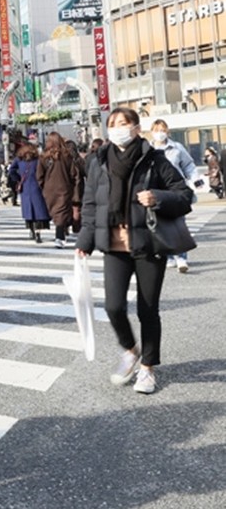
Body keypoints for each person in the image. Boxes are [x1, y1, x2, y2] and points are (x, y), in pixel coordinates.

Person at [76, 107, 192, 395]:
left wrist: (157, 197)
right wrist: (84, 242)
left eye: (124, 123)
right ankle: (130, 349)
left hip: (149, 245)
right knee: (113, 306)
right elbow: (91, 204)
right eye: (113, 124)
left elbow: (184, 195)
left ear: (137, 127)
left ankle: (148, 368)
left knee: (147, 310)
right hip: (113, 244)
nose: (118, 128)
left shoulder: (155, 159)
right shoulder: (99, 160)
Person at [149, 120, 197, 272]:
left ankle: (181, 258)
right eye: (157, 129)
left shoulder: (177, 148)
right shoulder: (147, 149)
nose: (160, 132)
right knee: (161, 224)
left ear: (167, 131)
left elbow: (188, 165)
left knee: (178, 222)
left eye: (163, 129)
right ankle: (169, 256)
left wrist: (195, 180)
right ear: (151, 131)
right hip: (157, 192)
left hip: (175, 190)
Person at [37, 132, 79, 248]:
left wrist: (43, 186)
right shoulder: (67, 155)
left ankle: (60, 234)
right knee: (61, 212)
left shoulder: (44, 156)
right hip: (64, 187)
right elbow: (74, 174)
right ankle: (60, 235)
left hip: (49, 189)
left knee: (57, 212)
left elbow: (39, 175)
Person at [12, 144, 50, 243]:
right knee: (38, 211)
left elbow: (11, 171)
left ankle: (31, 230)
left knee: (29, 211)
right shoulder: (38, 160)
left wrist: (18, 179)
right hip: (37, 187)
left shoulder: (19, 160)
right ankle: (38, 232)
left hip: (25, 188)